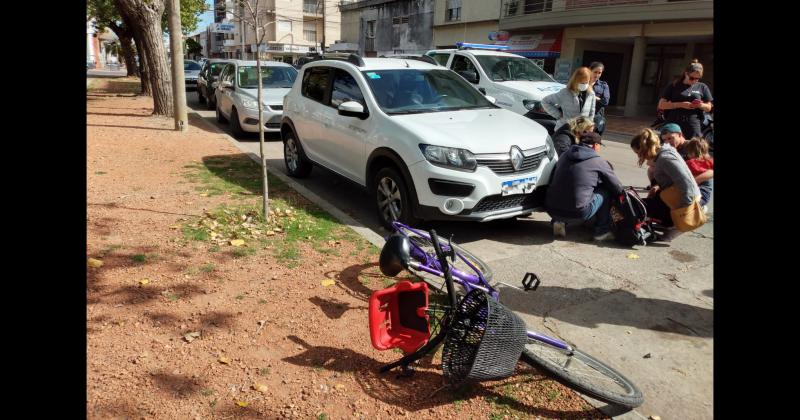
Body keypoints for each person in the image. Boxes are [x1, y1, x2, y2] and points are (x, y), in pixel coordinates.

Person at [546, 131, 624, 241]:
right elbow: (617, 187)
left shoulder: (564, 155)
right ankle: (602, 231)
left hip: (551, 209)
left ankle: (558, 221)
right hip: (578, 213)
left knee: (566, 185)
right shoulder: (598, 161)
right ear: (596, 145)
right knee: (605, 192)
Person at [630, 128, 702, 241]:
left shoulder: (665, 158)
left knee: (638, 208)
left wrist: (682, 212)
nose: (639, 157)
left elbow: (686, 183)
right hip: (674, 195)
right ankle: (670, 225)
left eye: (638, 153)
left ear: (645, 148)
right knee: (638, 204)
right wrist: (657, 186)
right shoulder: (663, 153)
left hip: (685, 200)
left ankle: (673, 225)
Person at [656, 123, 714, 207]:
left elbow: (711, 170)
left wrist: (690, 181)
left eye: (670, 138)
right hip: (685, 187)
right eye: (664, 140)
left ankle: (698, 211)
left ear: (680, 135)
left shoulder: (694, 146)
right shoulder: (671, 149)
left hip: (699, 190)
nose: (667, 142)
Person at [657, 59, 713, 139]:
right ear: (686, 73)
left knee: (692, 148)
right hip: (674, 122)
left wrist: (700, 105)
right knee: (670, 145)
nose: (694, 81)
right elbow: (661, 105)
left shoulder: (702, 87)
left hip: (693, 123)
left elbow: (709, 107)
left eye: (697, 79)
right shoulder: (674, 85)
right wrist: (680, 104)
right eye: (692, 78)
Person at [541, 66, 596, 132]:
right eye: (581, 82)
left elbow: (592, 112)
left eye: (586, 82)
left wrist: (590, 125)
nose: (584, 85)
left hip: (582, 131)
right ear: (575, 81)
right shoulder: (565, 93)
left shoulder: (591, 94)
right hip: (565, 129)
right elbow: (545, 101)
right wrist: (558, 115)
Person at [683, 137, 714, 210]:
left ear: (691, 152)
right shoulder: (710, 161)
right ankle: (701, 208)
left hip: (695, 194)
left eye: (688, 152)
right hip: (706, 196)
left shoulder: (689, 163)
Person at [589, 62, 610, 135]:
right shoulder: (583, 83)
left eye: (599, 73)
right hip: (582, 115)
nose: (597, 75)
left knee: (595, 139)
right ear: (590, 71)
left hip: (596, 116)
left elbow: (605, 101)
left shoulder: (603, 85)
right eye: (595, 72)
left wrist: (592, 97)